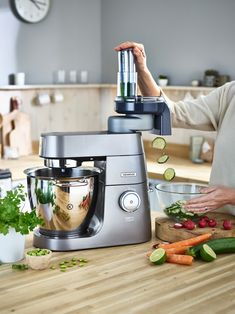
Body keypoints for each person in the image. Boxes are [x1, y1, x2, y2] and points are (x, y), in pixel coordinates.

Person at [114, 41, 235, 215]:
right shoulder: (230, 94)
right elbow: (171, 114)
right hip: (220, 223)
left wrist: (231, 196)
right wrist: (141, 69)